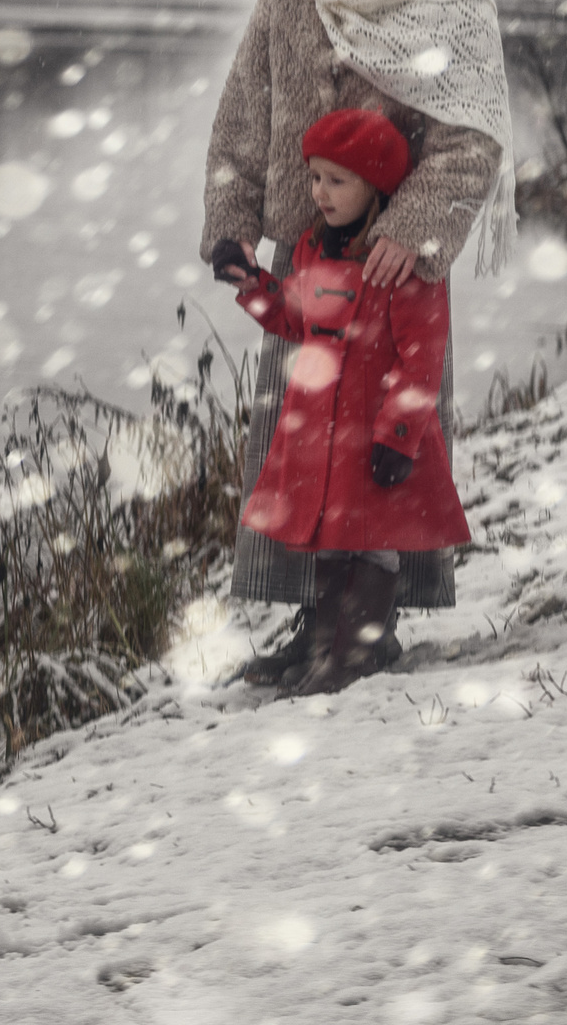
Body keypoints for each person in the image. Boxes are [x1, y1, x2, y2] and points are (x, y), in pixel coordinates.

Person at [201, 0, 514, 690]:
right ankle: (317, 624)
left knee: (384, 451)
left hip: (391, 271)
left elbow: (471, 136)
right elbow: (244, 109)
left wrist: (407, 230)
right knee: (301, 455)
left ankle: (365, 632)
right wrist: (230, 219)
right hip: (306, 259)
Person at [219, 110, 473, 695]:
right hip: (319, 431)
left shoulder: (405, 268)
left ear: (375, 186)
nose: (320, 193)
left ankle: (357, 654)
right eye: (315, 178)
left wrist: (399, 436)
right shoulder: (312, 247)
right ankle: (324, 644)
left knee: (373, 545)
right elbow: (293, 320)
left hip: (374, 431)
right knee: (331, 540)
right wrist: (251, 285)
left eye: (337, 181)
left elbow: (421, 359)